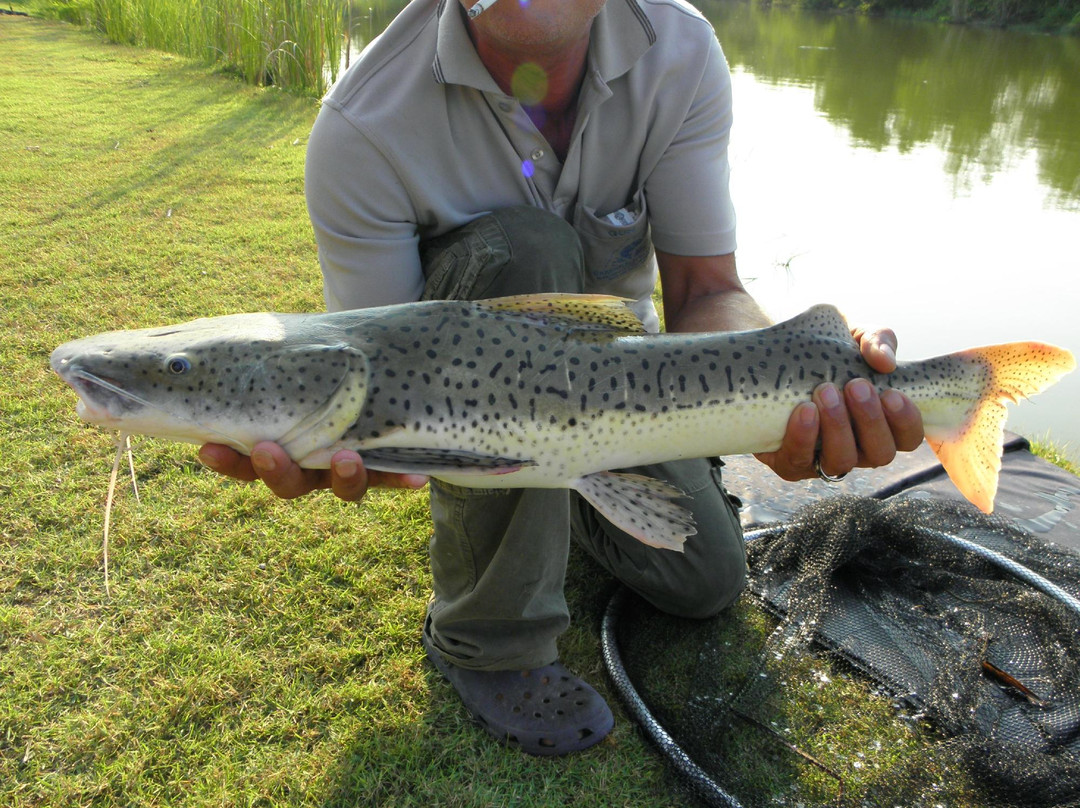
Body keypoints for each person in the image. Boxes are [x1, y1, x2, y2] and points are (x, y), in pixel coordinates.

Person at [199, 0, 923, 756]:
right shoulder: (361, 127)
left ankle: (560, 495)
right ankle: (487, 639)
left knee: (705, 583)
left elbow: (707, 290)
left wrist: (786, 393)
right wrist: (348, 449)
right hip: (467, 407)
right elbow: (384, 365)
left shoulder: (680, 47)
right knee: (531, 245)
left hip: (617, 390)